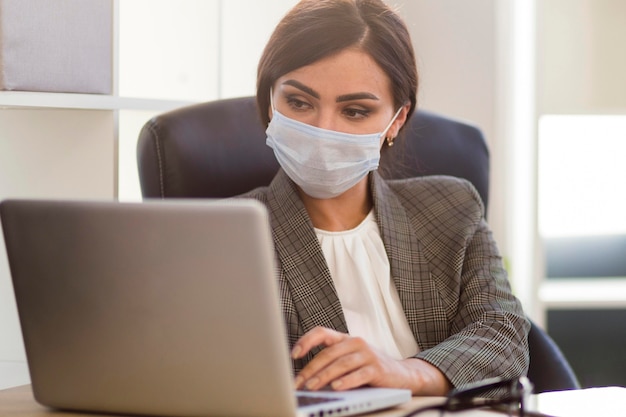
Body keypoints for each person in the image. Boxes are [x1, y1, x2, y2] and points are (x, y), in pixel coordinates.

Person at [241, 0, 530, 396]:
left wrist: (407, 373)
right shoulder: (226, 236)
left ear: (395, 121)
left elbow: (504, 335)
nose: (324, 130)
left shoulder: (452, 208)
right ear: (270, 102)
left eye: (355, 111)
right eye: (299, 102)